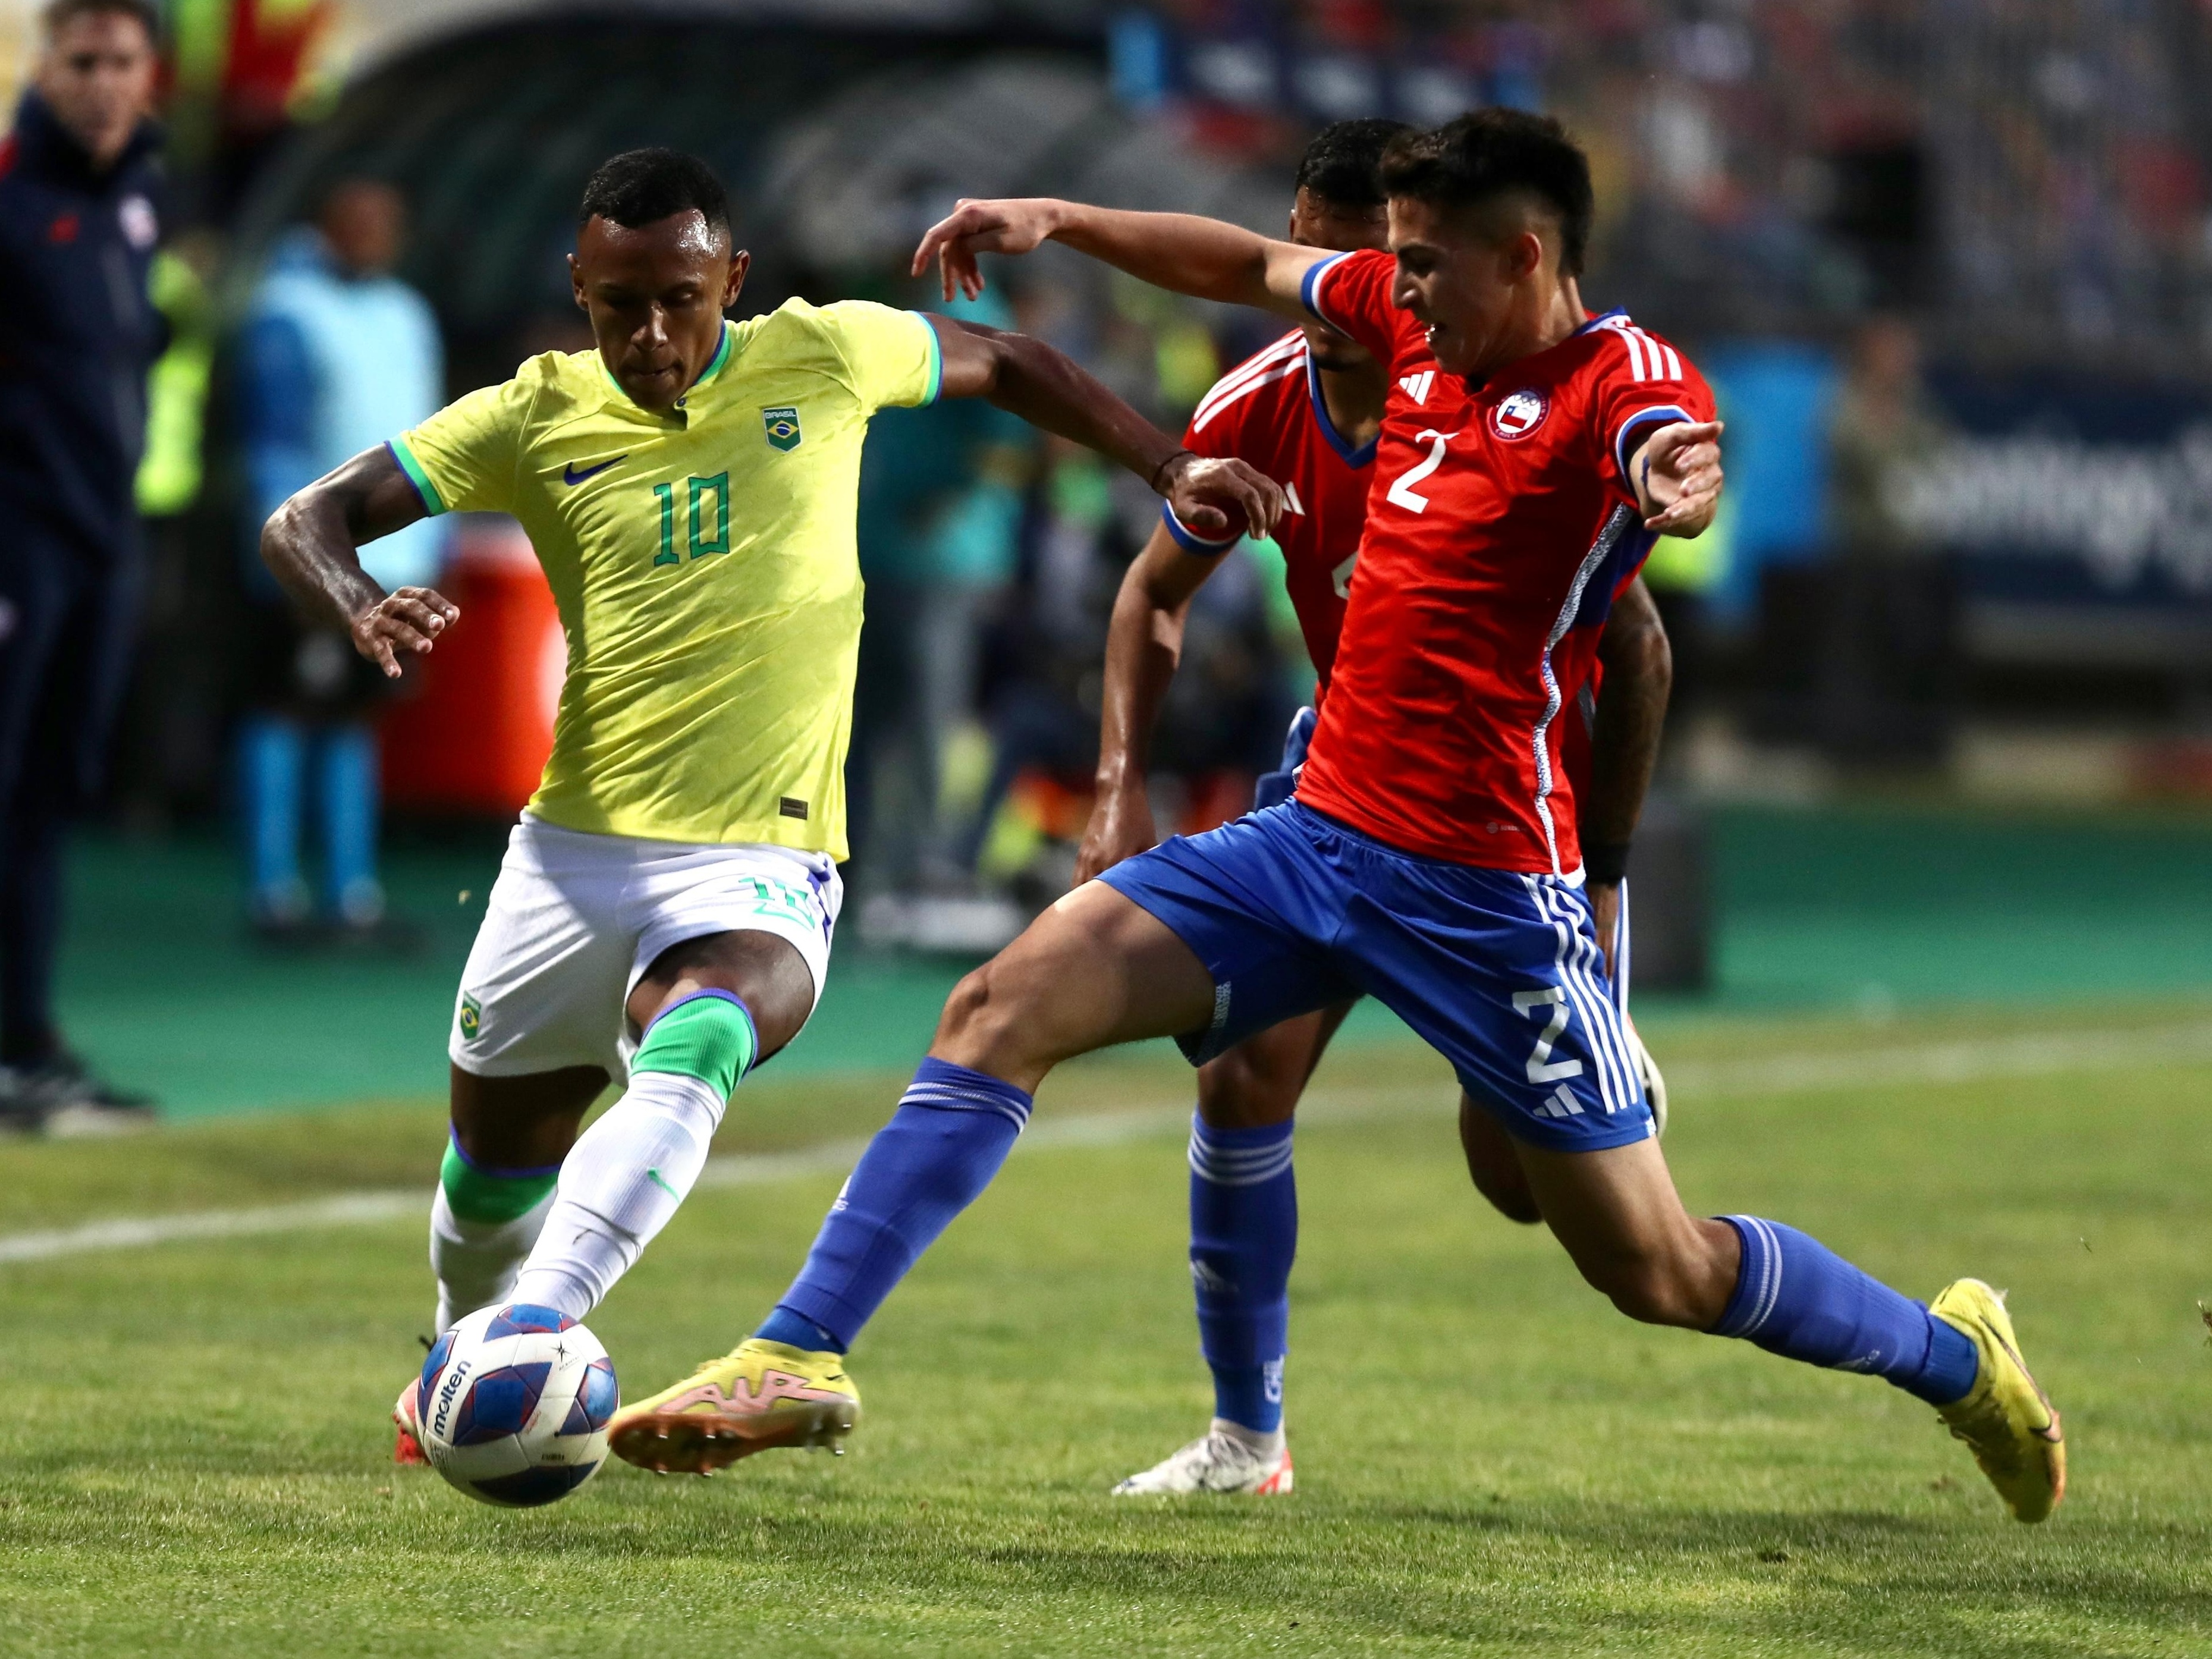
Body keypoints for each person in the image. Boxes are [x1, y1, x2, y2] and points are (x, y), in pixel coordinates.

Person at [614, 112, 2066, 1528]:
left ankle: (1957, 1357)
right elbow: (1242, 266)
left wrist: (1673, 480)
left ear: (1527, 254)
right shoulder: (1408, 322)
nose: (1389, 286)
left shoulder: (1619, 378)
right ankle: (795, 1352)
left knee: (1653, 1267)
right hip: (1312, 830)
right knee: (1002, 1002)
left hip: (1490, 889)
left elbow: (1668, 453)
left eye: (1424, 263)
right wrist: (1054, 220)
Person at [252, 147, 1279, 1463]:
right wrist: (357, 600)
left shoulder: (827, 354)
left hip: (761, 856)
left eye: (680, 297)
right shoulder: (529, 414)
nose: (652, 332)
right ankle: (463, 1335)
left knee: (702, 1039)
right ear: (579, 287)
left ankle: (525, 1343)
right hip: (571, 858)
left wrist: (1166, 466)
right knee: (489, 1180)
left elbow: (1012, 363)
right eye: (618, 304)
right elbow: (307, 518)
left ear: (732, 280)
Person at [1065, 117, 1676, 1496]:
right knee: (1238, 1075)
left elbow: (1636, 646)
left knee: (1518, 1186)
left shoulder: (1481, 406)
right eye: (1327, 261)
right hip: (1334, 781)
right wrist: (1118, 794)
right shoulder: (1256, 402)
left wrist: (1608, 874)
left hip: (1494, 826)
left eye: (1384, 267)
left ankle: (1603, 1054)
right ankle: (1245, 1437)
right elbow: (1150, 597)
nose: (1357, 297)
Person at [0, 0, 164, 1127]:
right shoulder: (11, 204)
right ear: (42, 67)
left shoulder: (141, 201)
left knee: (51, 796)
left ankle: (27, 1041)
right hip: (16, 541)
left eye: (122, 63)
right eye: (83, 61)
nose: (103, 83)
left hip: (103, 543)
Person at [240, 178, 445, 941]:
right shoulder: (289, 313)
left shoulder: (406, 314)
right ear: (326, 227)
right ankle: (274, 894)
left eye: (387, 224)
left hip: (394, 561)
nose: (376, 237)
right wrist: (290, 561)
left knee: (359, 713)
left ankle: (351, 894)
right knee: (287, 707)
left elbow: (433, 438)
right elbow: (275, 446)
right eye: (359, 223)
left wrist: (436, 543)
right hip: (317, 563)